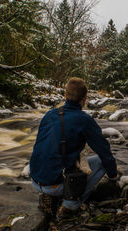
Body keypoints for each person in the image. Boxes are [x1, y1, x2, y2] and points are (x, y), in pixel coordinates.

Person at [29, 77, 118, 219]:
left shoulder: (49, 115)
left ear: (65, 95)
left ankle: (49, 194)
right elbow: (104, 151)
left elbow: (43, 145)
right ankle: (71, 204)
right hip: (53, 184)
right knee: (101, 162)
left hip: (35, 178)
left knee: (71, 159)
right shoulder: (84, 120)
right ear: (84, 99)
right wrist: (113, 176)